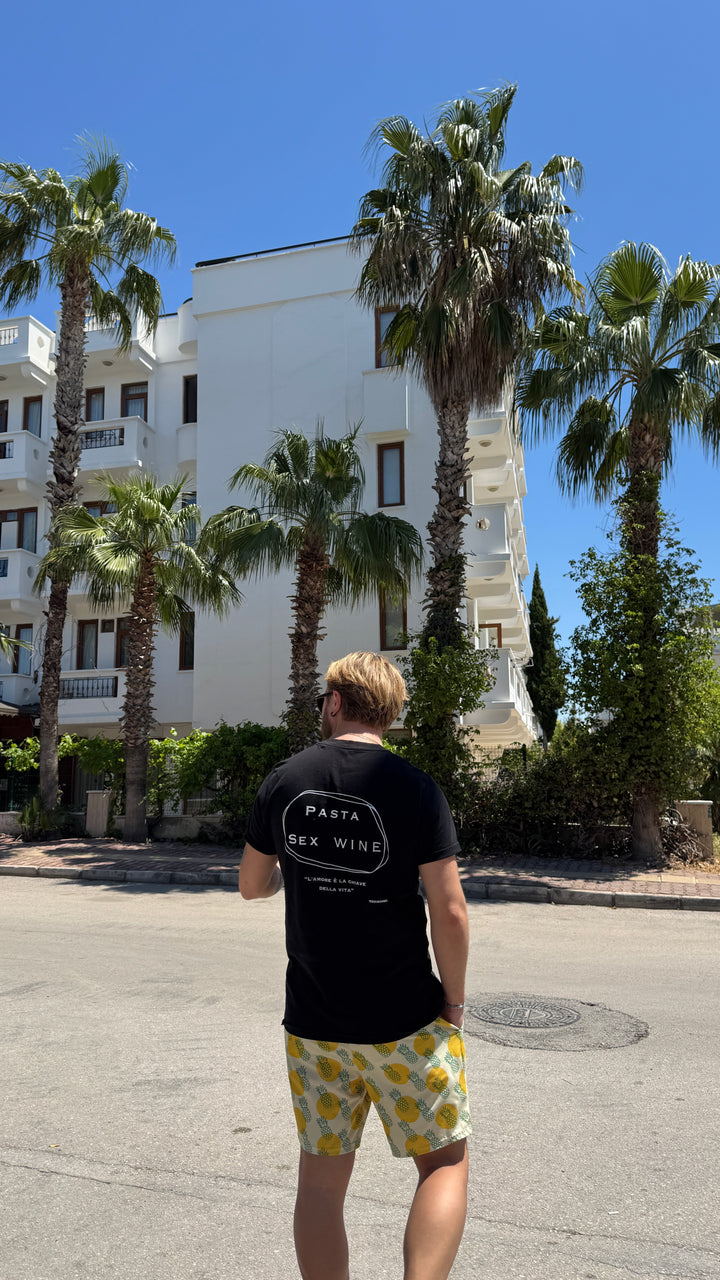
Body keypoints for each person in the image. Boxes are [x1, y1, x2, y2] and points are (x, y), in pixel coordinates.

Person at [239, 651, 471, 1280]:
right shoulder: (417, 789)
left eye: (323, 699)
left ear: (337, 702)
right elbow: (449, 911)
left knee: (320, 1181)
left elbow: (252, 886)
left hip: (315, 1024)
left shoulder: (284, 782)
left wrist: (307, 869)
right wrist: (453, 1003)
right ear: (388, 714)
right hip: (407, 1021)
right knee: (443, 1163)